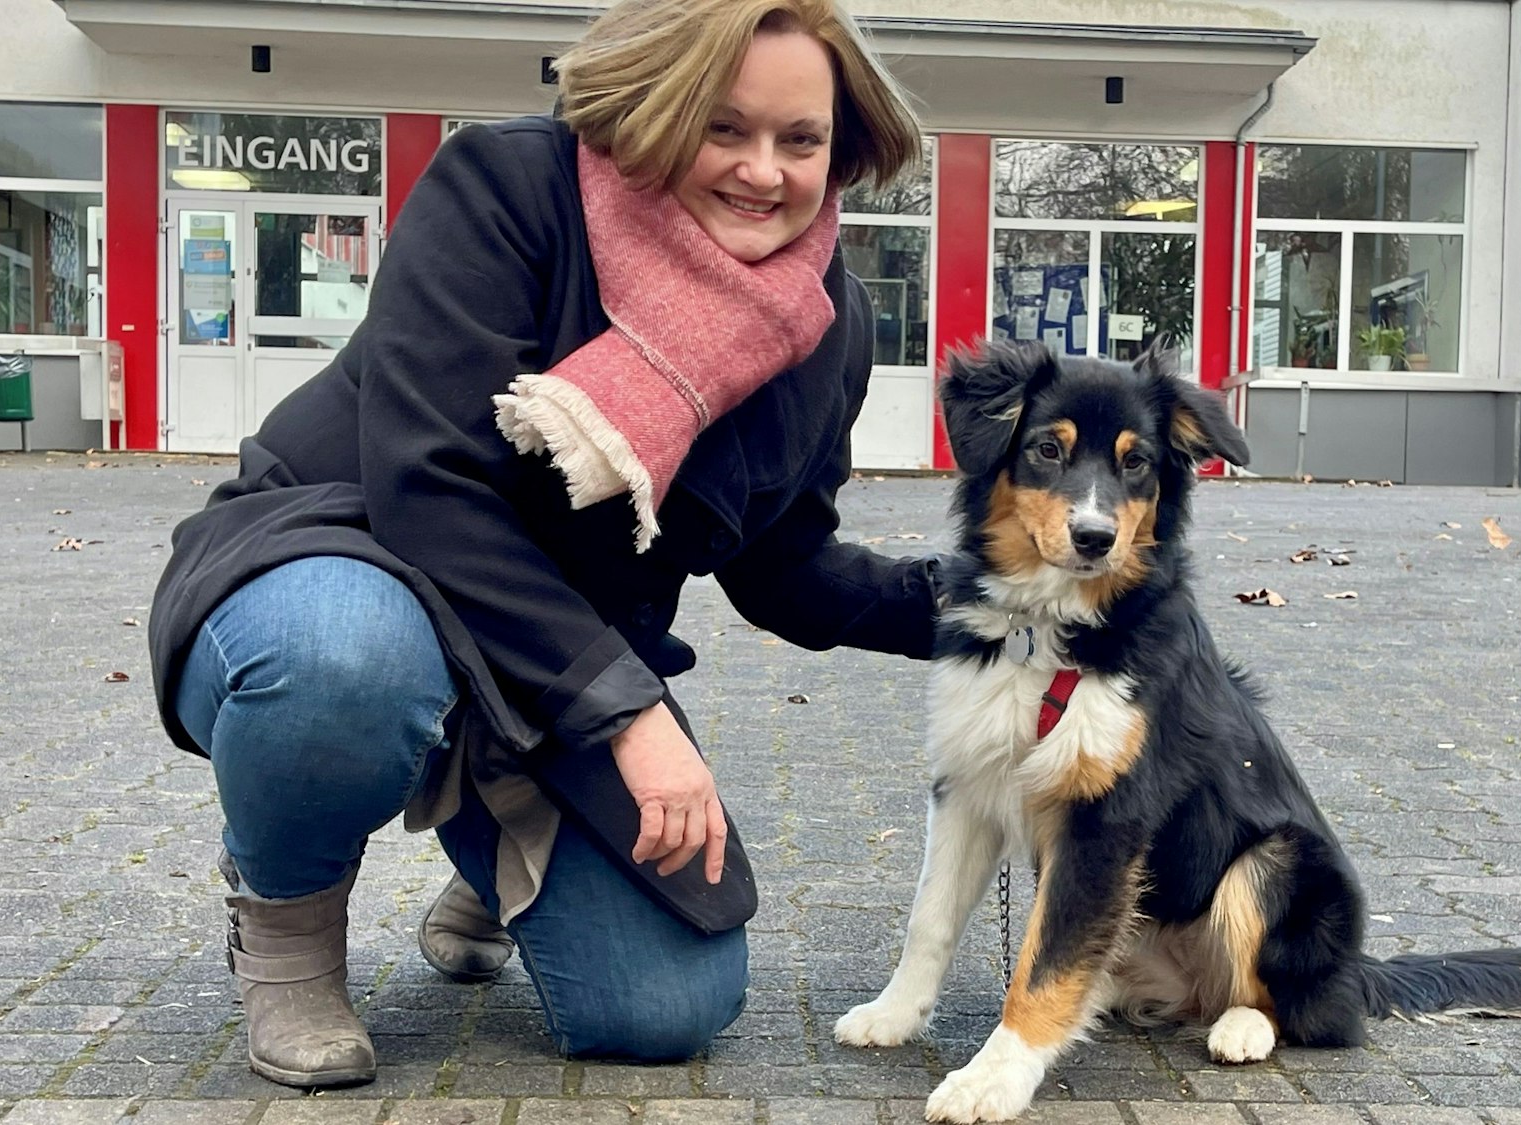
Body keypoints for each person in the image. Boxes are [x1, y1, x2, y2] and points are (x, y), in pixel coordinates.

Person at [146, 0, 941, 1089]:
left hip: (542, 666)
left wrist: (997, 606)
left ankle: (495, 838)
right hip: (337, 559)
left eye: (800, 140)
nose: (764, 171)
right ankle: (284, 918)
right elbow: (429, 488)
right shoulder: (510, 188)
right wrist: (627, 713)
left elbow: (783, 565)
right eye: (723, 129)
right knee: (351, 667)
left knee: (667, 1008)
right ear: (655, 112)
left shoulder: (824, 326)